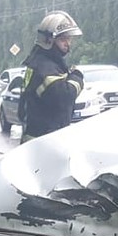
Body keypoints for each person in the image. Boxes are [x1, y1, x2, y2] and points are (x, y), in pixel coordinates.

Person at [19, 11, 85, 142]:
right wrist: (77, 77)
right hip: (44, 141)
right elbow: (64, 97)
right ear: (48, 40)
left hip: (42, 139)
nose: (67, 43)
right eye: (63, 39)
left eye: (69, 38)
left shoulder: (44, 63)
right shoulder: (44, 67)